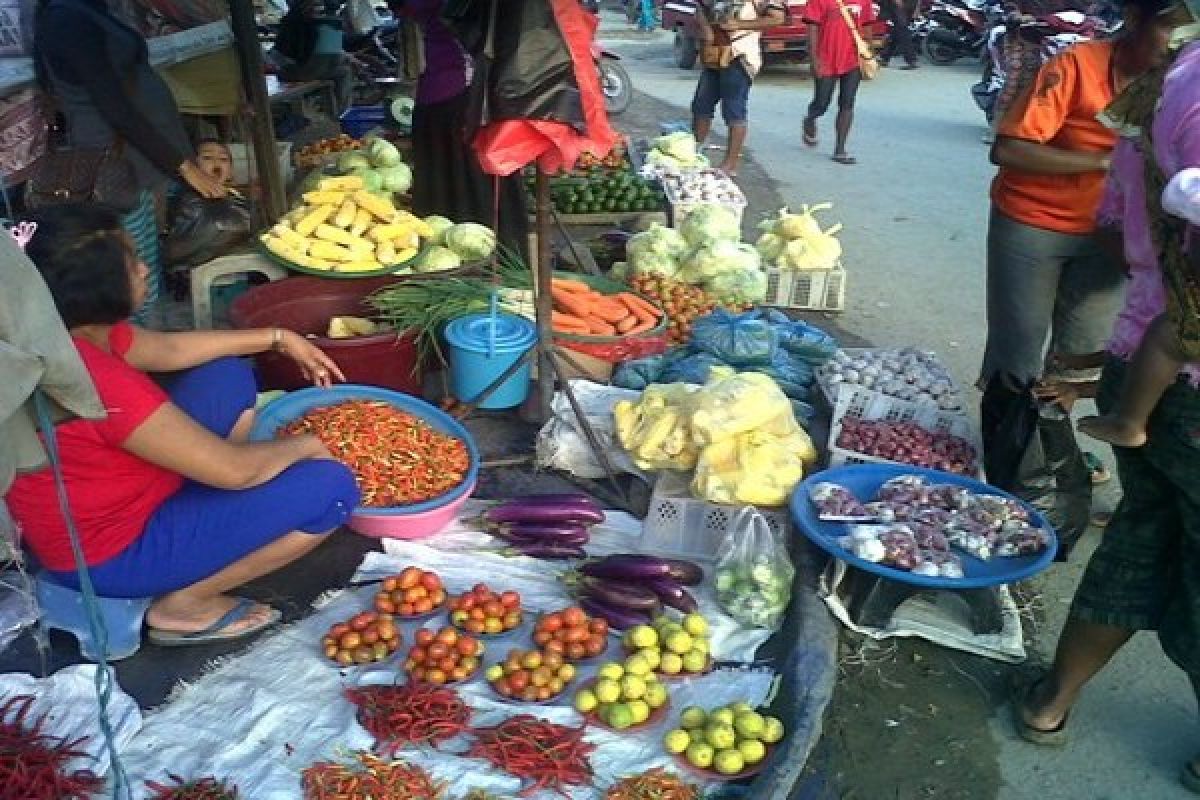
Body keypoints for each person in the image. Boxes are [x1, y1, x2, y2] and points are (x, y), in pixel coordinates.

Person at [4, 204, 360, 646]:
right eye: (132, 263)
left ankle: (209, 515)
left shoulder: (60, 336)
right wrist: (306, 444)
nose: (144, 269)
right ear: (98, 290)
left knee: (224, 373)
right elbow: (238, 471)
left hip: (116, 493)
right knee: (332, 488)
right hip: (110, 553)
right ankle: (187, 604)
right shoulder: (99, 384)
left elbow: (169, 351)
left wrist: (276, 338)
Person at [1013, 20, 1200, 794]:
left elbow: (1123, 222)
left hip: (1148, 367)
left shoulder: (1171, 81)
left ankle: (1052, 701)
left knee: (1142, 532)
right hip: (1186, 374)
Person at [980, 0, 1184, 400]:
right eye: (1170, 28)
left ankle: (1051, 451)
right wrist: (1110, 161)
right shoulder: (1077, 65)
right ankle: (1007, 447)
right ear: (1134, 19)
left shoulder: (1179, 86)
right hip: (1034, 224)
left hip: (1112, 237)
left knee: (1079, 356)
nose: (1179, 43)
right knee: (1017, 351)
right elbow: (1008, 150)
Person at [33, 0, 227, 324]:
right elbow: (115, 105)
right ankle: (135, 351)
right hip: (117, 165)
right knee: (129, 273)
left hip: (139, 162)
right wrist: (183, 166)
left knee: (143, 263)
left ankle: (146, 338)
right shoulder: (66, 19)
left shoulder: (91, 11)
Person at [391, 0, 529, 255]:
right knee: (469, 176)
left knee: (468, 176)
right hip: (450, 92)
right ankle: (485, 255)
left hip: (462, 94)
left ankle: (487, 256)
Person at [690, 0, 786, 177]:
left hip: (740, 54)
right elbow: (700, 8)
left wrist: (739, 24)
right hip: (715, 52)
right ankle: (694, 153)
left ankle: (730, 164)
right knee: (701, 105)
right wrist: (707, 31)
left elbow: (777, 18)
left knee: (734, 109)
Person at [802, 0, 877, 165]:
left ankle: (840, 149)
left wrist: (868, 51)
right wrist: (814, 59)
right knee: (822, 102)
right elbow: (812, 28)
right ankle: (810, 118)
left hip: (853, 59)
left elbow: (866, 25)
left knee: (847, 103)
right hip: (826, 58)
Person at [274, 0, 355, 112]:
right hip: (293, 70)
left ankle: (342, 112)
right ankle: (340, 112)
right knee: (334, 46)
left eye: (317, 6)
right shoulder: (294, 23)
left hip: (309, 68)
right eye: (313, 5)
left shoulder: (314, 23)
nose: (316, 9)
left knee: (345, 71)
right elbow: (295, 54)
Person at [879, 0, 920, 69]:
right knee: (898, 30)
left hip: (901, 5)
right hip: (908, 4)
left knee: (901, 30)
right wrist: (917, 7)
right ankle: (885, 57)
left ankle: (911, 60)